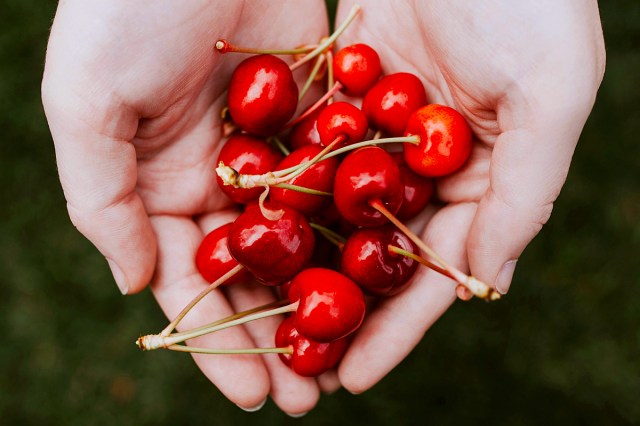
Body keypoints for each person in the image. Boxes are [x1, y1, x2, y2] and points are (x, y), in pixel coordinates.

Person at [41, 0, 605, 417]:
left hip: (344, 197)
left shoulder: (354, 175)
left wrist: (273, 184)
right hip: (320, 203)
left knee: (348, 215)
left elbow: (339, 201)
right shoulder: (302, 196)